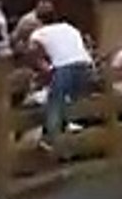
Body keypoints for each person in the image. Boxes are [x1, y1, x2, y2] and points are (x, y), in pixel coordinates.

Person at [27, 9, 94, 152]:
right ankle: (75, 128)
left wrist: (47, 69)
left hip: (65, 67)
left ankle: (49, 140)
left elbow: (33, 54)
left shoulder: (38, 33)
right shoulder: (69, 27)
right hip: (86, 65)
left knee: (55, 100)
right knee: (75, 99)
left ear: (39, 20)